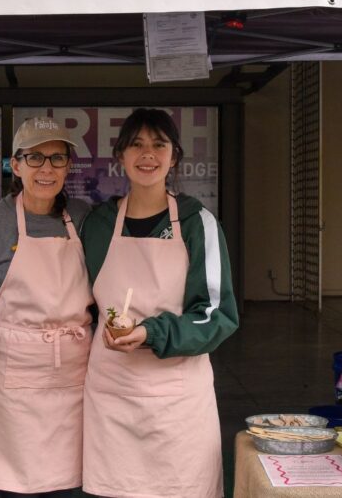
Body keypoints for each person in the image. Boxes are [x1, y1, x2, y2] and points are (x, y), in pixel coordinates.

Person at [80, 108, 239, 498]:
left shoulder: (197, 222)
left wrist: (152, 331)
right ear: (120, 155)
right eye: (136, 144)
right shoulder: (98, 225)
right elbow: (81, 301)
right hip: (111, 392)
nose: (147, 154)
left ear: (174, 157)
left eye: (158, 144)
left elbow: (217, 314)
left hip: (178, 398)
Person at [0, 116, 93, 497]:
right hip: (13, 379)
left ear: (69, 165)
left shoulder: (85, 217)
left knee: (73, 483)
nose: (47, 168)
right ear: (16, 164)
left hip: (76, 370)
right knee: (13, 485)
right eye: (35, 157)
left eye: (57, 158)